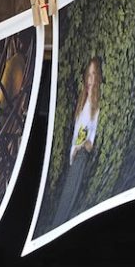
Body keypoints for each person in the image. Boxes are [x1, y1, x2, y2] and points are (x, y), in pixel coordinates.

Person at [50, 56, 102, 227]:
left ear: (98, 77)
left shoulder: (96, 107)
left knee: (68, 199)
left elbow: (91, 140)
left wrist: (82, 146)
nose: (90, 79)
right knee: (65, 197)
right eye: (88, 75)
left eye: (94, 75)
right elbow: (75, 132)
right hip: (73, 156)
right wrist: (73, 150)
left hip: (81, 155)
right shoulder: (82, 102)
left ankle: (58, 227)